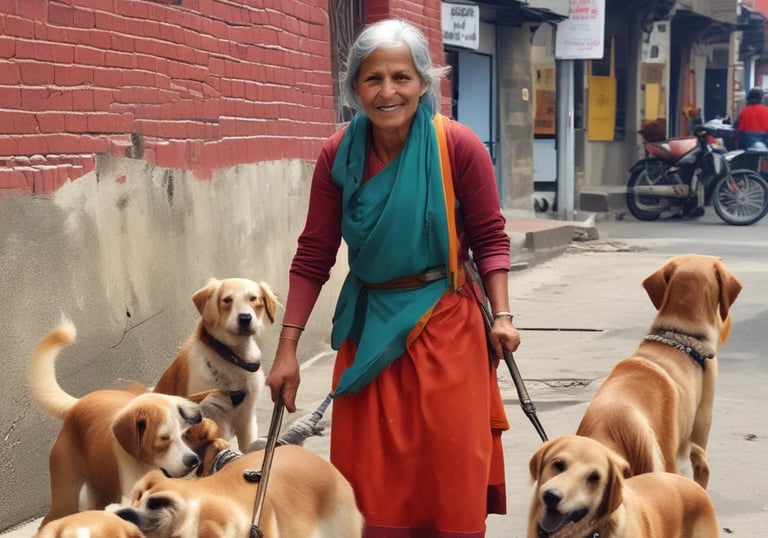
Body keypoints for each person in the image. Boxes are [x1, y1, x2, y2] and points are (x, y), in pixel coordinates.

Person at [265, 18, 520, 537]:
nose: (387, 92)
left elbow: (491, 237)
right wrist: (287, 350)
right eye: (372, 79)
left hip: (447, 324)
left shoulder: (458, 146)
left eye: (401, 77)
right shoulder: (338, 154)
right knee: (370, 485)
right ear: (354, 88)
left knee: (451, 470)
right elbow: (314, 254)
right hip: (369, 332)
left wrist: (504, 316)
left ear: (424, 82)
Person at [736, 87, 768, 153]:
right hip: (764, 144)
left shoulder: (744, 111)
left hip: (747, 145)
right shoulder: (766, 111)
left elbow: (739, 129)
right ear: (761, 98)